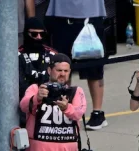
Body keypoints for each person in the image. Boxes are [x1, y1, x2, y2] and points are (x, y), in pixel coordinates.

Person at [20, 53, 87, 151]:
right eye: (58, 70)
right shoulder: (36, 88)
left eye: (66, 71)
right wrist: (37, 98)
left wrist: (66, 108)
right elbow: (23, 106)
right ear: (49, 71)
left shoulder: (76, 92)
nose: (62, 74)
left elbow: (78, 112)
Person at [45, 0, 107, 130]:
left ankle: (98, 113)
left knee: (94, 69)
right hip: (62, 18)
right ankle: (64, 108)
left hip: (90, 18)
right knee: (62, 67)